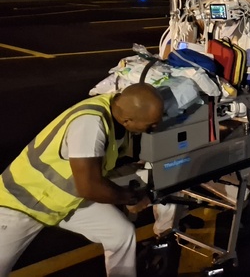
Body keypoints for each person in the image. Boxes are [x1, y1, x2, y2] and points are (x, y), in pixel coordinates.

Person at [0, 82, 164, 277]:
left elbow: (98, 173)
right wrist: (130, 198)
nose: (155, 127)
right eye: (151, 124)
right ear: (128, 120)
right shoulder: (90, 125)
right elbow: (90, 187)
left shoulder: (114, 112)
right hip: (21, 204)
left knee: (120, 233)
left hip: (63, 200)